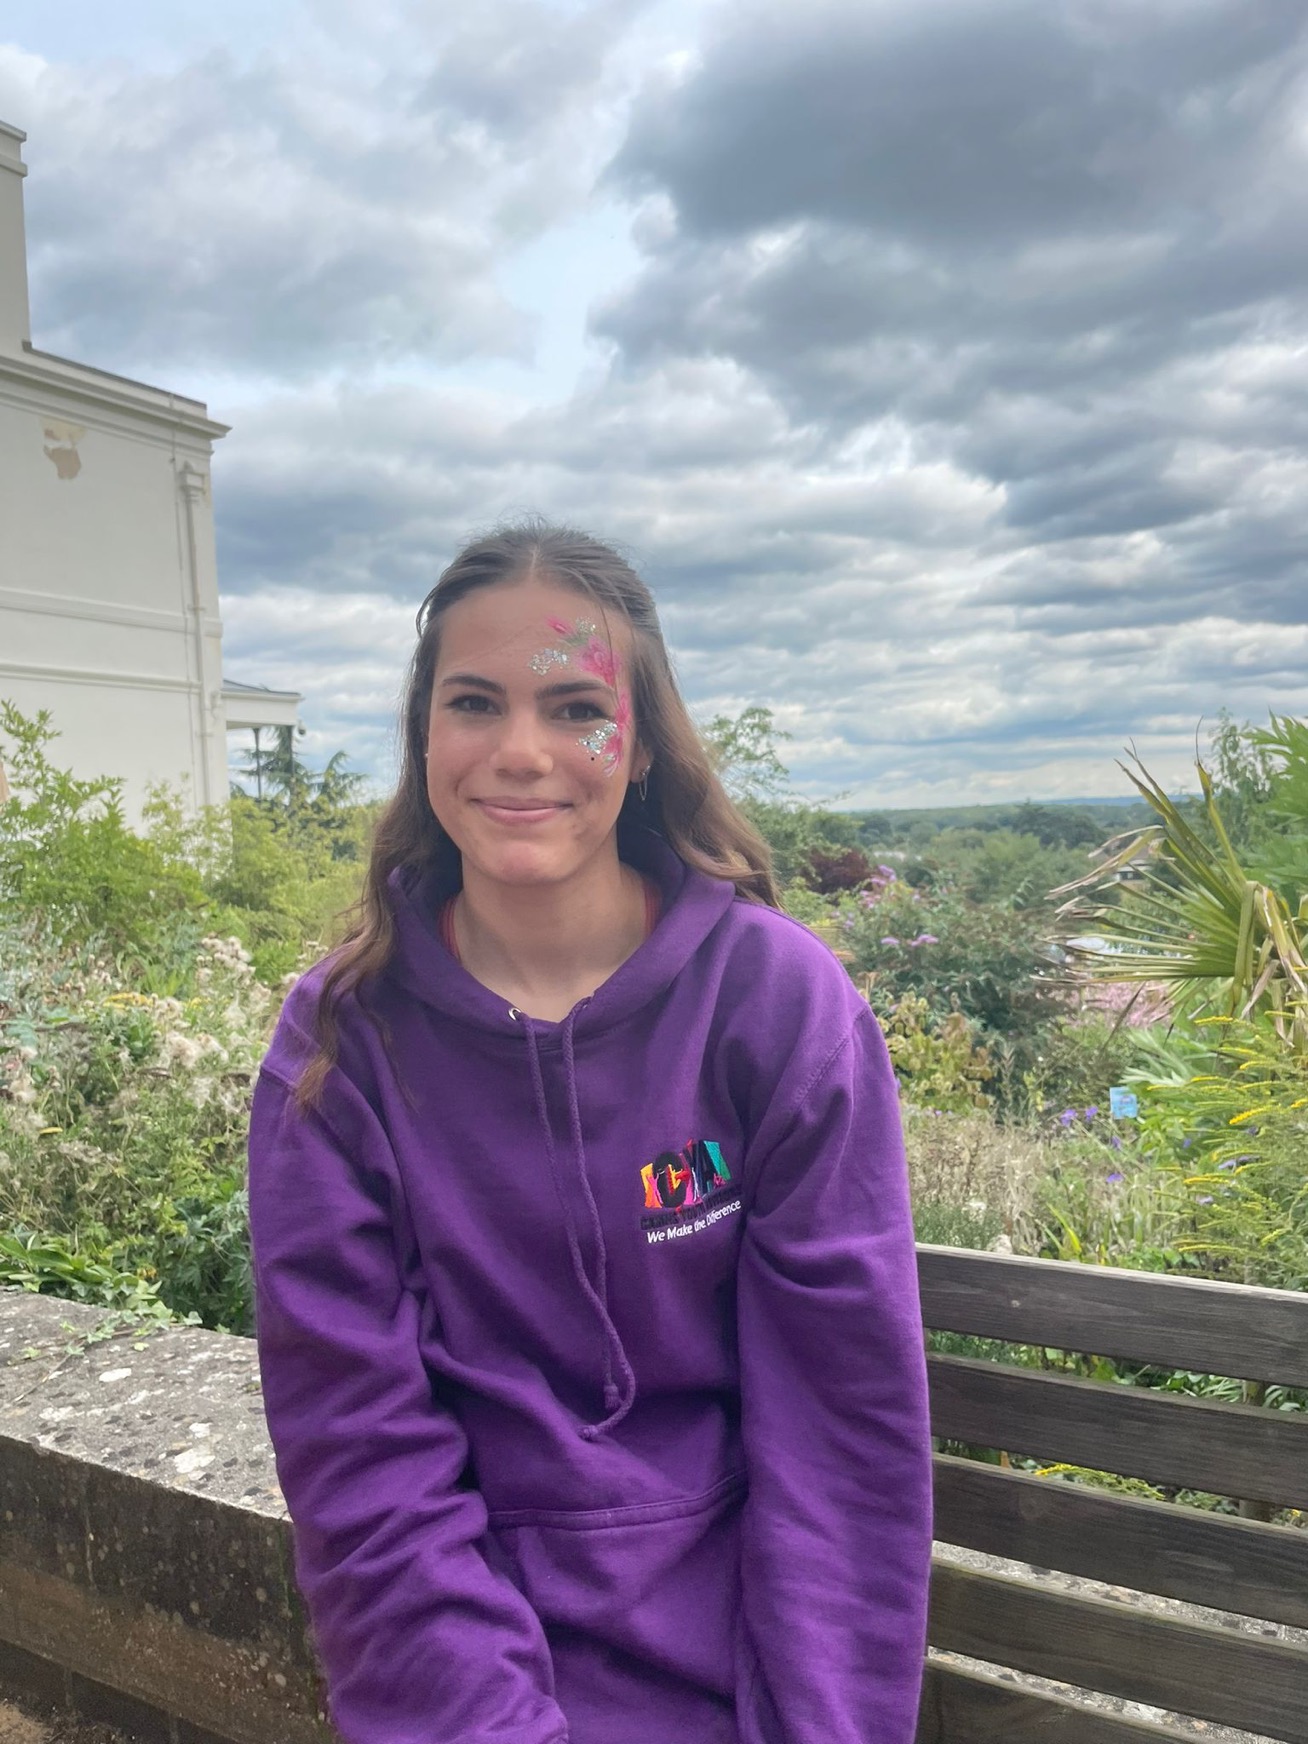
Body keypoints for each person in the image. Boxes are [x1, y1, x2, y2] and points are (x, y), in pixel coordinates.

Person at [247, 521, 933, 1744]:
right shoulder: (341, 1050)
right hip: (463, 1691)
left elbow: (843, 1442)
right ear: (423, 735)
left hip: (750, 1681)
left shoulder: (777, 1012)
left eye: (574, 706)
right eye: (473, 703)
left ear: (645, 745)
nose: (521, 753)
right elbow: (364, 1472)